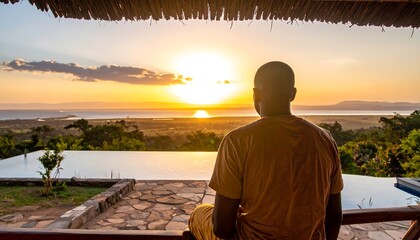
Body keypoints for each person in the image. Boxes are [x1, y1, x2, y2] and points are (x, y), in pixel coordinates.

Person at [188, 61, 343, 240]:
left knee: (199, 213)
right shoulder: (325, 139)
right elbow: (334, 217)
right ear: (292, 94)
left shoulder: (238, 141)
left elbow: (222, 228)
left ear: (255, 94)